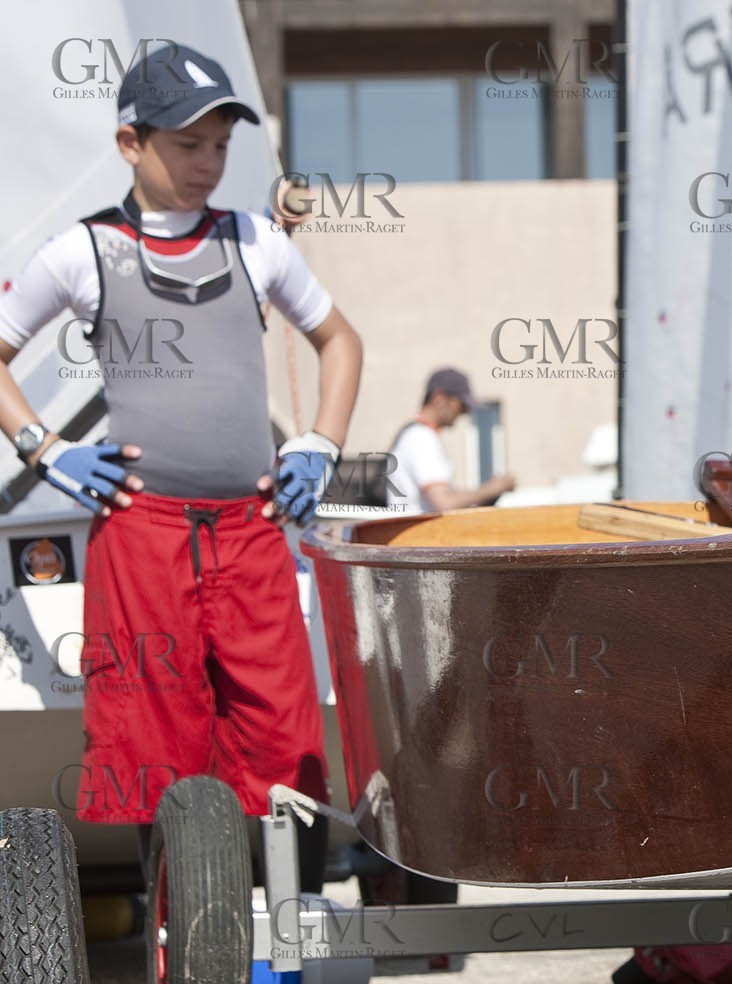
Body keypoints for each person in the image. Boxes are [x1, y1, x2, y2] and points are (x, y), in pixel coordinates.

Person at [0, 44, 361, 887]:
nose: (207, 164)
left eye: (220, 145)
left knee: (285, 741)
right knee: (150, 745)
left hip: (253, 531)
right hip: (142, 534)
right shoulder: (82, 253)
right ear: (131, 143)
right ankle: (184, 968)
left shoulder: (256, 242)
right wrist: (42, 447)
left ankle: (296, 967)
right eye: (185, 144)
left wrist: (319, 441)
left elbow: (340, 340)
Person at [388, 367, 515, 512]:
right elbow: (444, 502)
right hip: (420, 533)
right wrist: (492, 489)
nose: (464, 412)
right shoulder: (421, 438)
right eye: (461, 404)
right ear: (439, 398)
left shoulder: (415, 435)